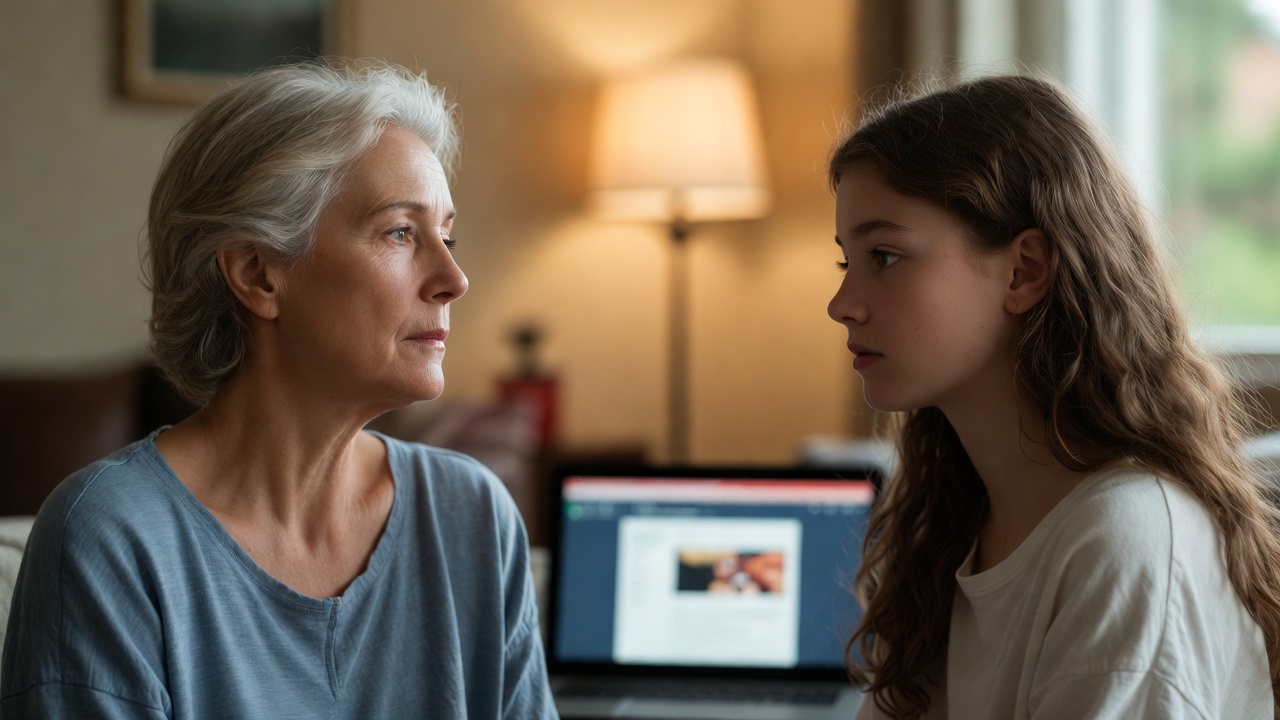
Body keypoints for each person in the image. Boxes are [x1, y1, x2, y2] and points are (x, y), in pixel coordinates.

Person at [1, 61, 557, 718]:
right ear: (259, 274)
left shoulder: (473, 517)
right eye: (401, 232)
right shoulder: (109, 537)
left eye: (449, 234)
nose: (454, 278)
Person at [826, 74, 1280, 719]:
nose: (841, 305)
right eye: (847, 262)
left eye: (887, 256)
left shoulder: (1126, 540)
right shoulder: (948, 520)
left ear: (1024, 270)